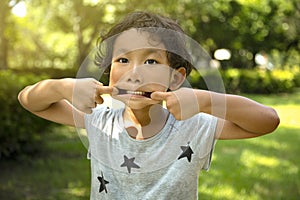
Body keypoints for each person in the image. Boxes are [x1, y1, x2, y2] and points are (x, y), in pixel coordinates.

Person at [18, 11, 280, 199]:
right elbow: (29, 101)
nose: (134, 73)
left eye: (151, 62)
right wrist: (62, 87)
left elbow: (268, 120)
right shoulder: (99, 119)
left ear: (175, 78)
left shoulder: (192, 126)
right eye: (122, 60)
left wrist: (204, 100)